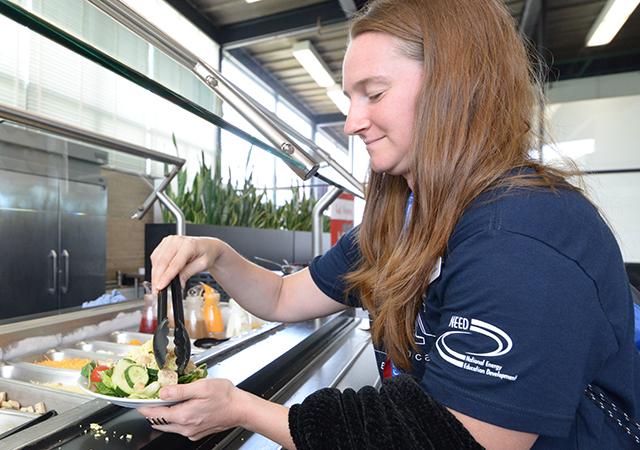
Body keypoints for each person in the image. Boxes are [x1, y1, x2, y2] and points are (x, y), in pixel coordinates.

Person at [139, 0, 640, 448]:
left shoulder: (524, 235)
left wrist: (242, 408)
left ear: (456, 88)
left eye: (373, 94)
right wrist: (216, 255)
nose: (353, 121)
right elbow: (282, 297)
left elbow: (455, 439)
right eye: (350, 97)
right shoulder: (407, 219)